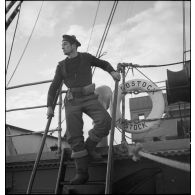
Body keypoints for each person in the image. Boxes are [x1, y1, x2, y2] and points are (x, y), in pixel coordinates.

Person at [47, 34, 121, 185]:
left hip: (89, 97)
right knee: (74, 136)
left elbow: (103, 63)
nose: (62, 47)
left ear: (74, 45)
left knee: (105, 121)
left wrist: (112, 72)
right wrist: (50, 106)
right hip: (72, 101)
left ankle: (89, 147)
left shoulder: (86, 57)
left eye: (65, 44)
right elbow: (54, 87)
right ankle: (82, 173)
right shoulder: (61, 65)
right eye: (62, 45)